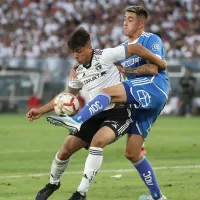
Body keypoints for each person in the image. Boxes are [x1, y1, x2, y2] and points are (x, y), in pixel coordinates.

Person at [48, 6, 168, 200]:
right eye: (124, 18)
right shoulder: (122, 47)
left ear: (140, 24)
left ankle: (77, 120)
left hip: (154, 88)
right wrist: (79, 63)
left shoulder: (151, 39)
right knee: (132, 153)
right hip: (138, 102)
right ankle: (158, 197)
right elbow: (99, 60)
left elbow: (154, 69)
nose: (125, 22)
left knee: (108, 92)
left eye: (130, 19)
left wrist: (129, 71)